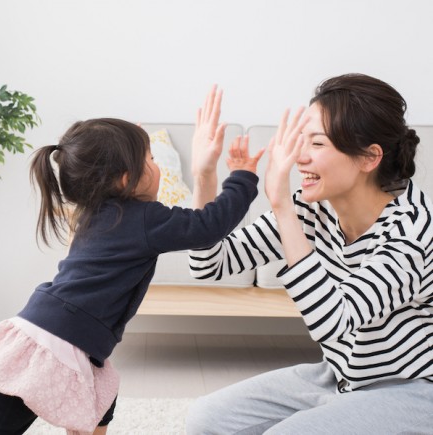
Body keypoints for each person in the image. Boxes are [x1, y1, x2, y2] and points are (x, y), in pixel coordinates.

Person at [0, 86, 264, 435]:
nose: (155, 167)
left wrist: (130, 147)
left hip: (57, 331)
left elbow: (190, 221)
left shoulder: (97, 210)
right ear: (125, 178)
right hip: (56, 339)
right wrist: (241, 178)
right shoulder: (143, 218)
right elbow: (207, 226)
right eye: (150, 159)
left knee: (100, 402)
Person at [186, 73, 433, 434]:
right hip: (337, 377)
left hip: (412, 390)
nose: (299, 156)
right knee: (205, 419)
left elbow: (333, 322)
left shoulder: (412, 231)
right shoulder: (312, 209)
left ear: (369, 157)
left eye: (316, 143)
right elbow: (209, 264)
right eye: (301, 141)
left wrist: (282, 206)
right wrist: (205, 176)